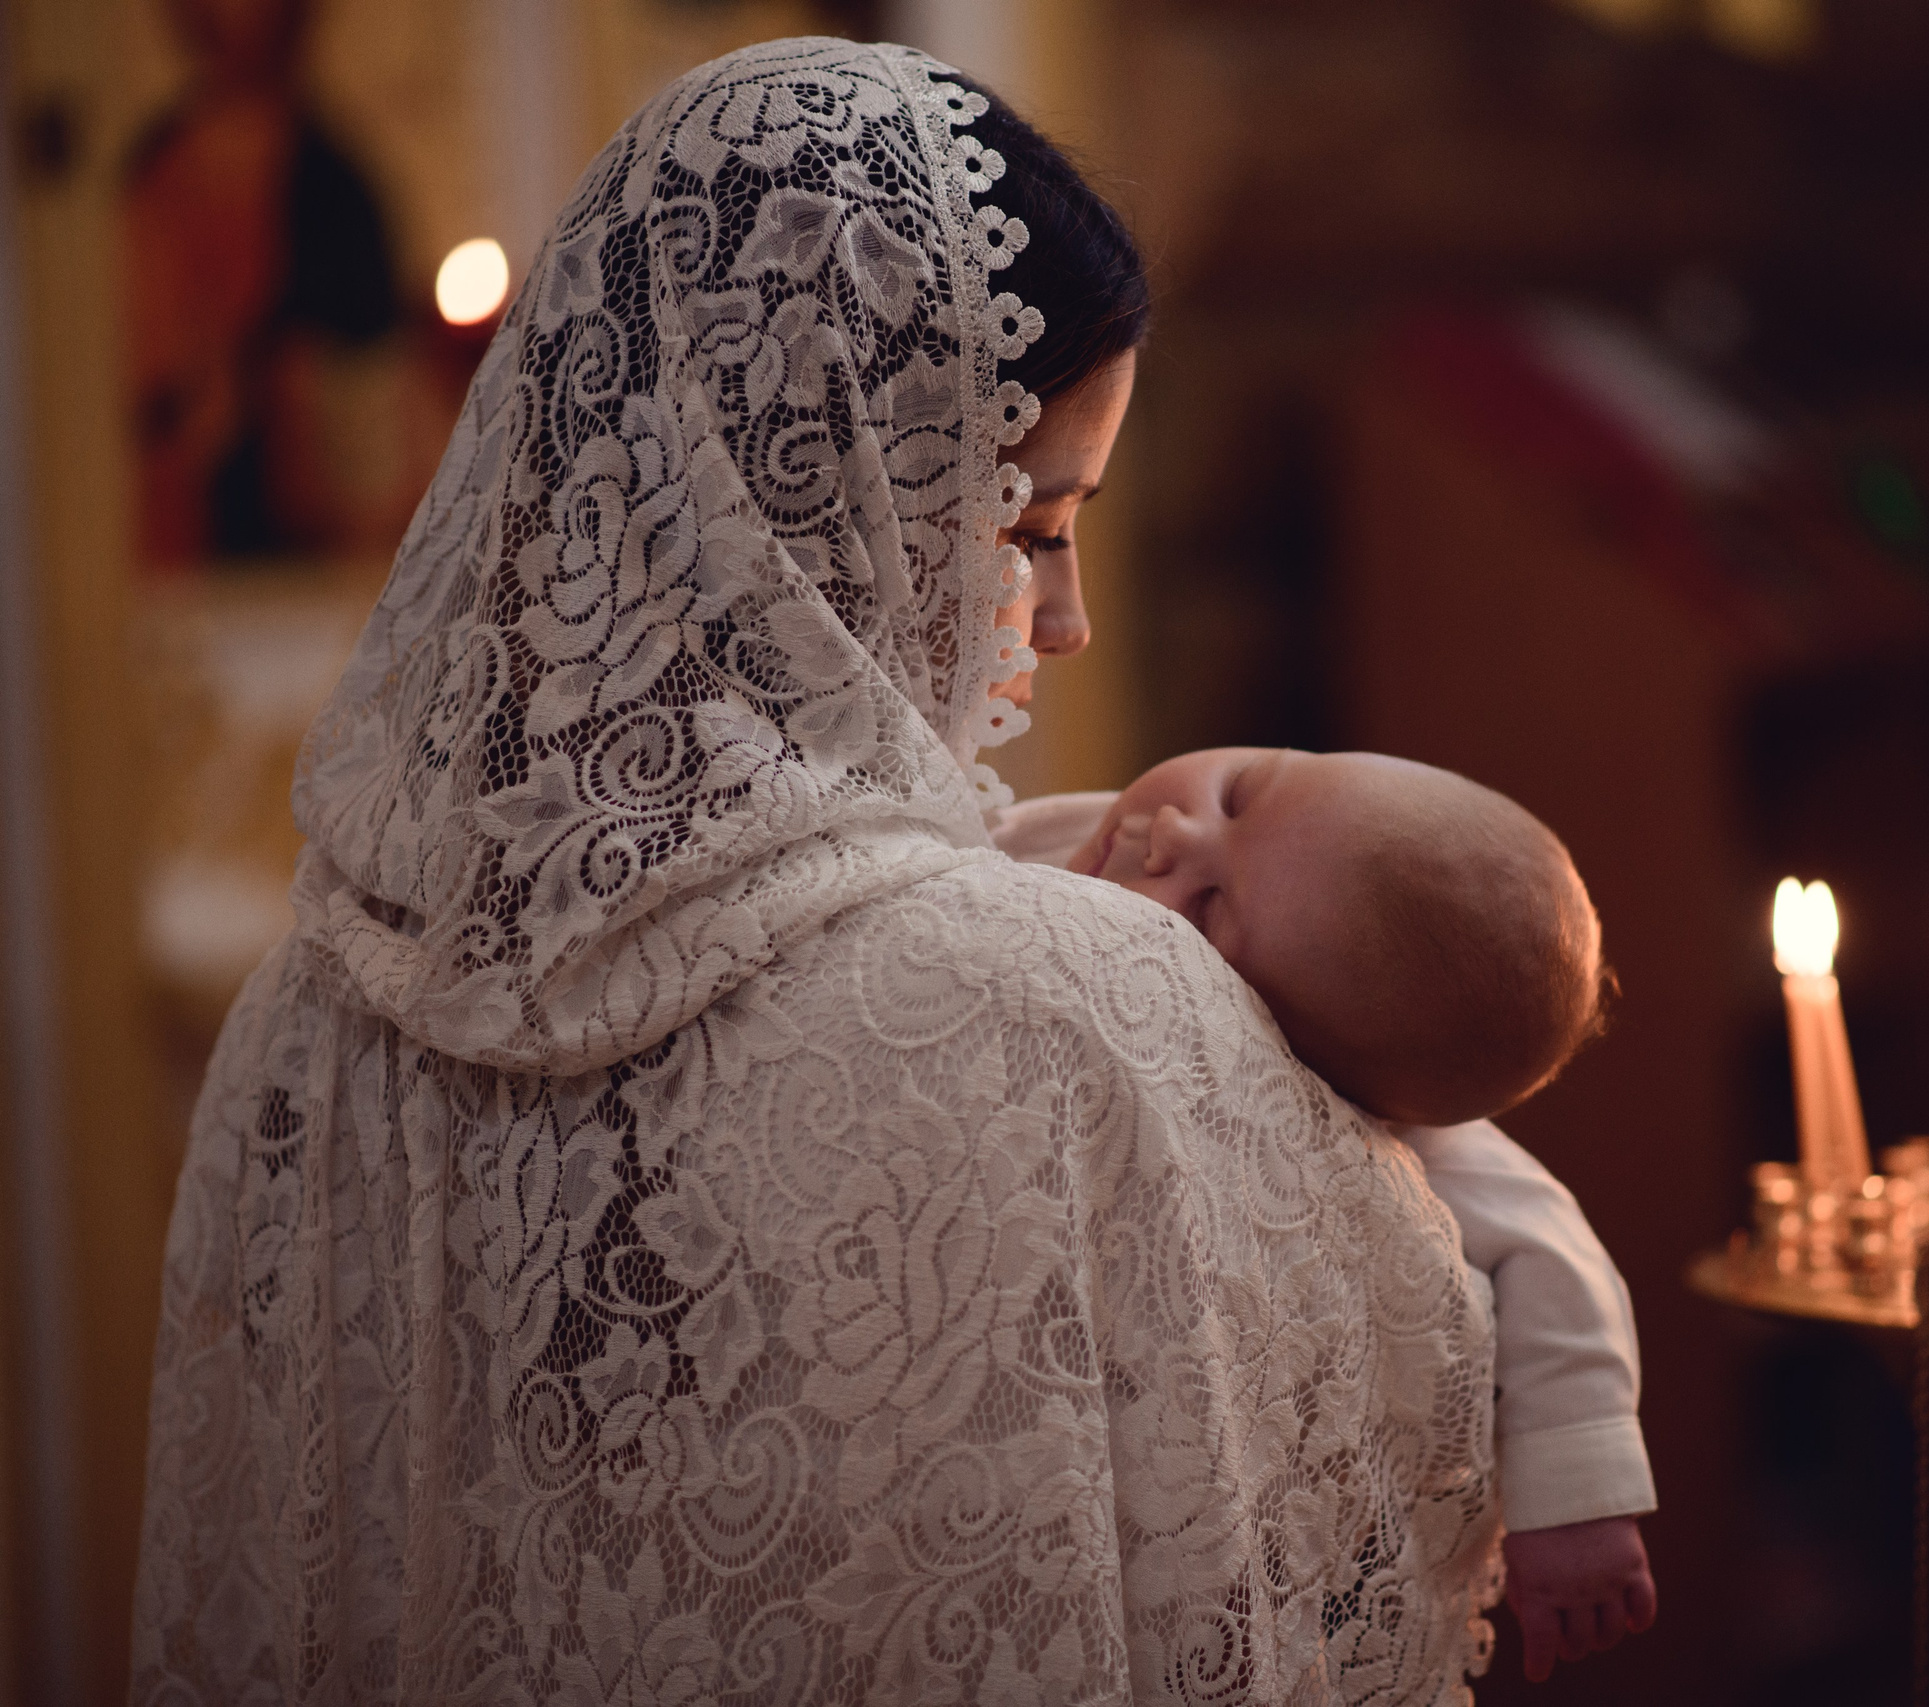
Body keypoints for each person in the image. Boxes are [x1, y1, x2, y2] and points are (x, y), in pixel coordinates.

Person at [132, 41, 1503, 1703]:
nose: (1057, 620)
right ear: (833, 487)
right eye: (1030, 521)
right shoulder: (1084, 1003)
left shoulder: (295, 1034)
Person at [996, 750, 1661, 1681]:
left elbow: (1551, 1247)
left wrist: (1581, 1498)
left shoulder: (1364, 1118)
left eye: (1210, 906)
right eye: (1242, 789)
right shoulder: (1102, 830)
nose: (1178, 834)